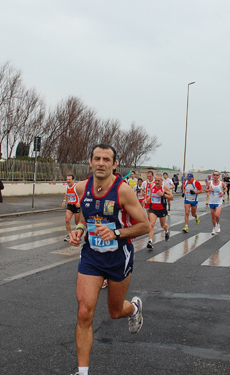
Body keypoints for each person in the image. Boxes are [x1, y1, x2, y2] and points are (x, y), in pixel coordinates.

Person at [68, 144, 150, 375]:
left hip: (118, 257)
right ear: (91, 162)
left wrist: (116, 233)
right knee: (84, 312)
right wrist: (80, 228)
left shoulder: (123, 190)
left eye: (106, 159)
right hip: (92, 256)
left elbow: (145, 225)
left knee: (115, 311)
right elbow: (86, 212)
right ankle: (82, 372)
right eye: (97, 158)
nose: (101, 163)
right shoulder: (83, 187)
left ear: (114, 165)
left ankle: (133, 309)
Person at [146, 173, 173, 249]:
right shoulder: (152, 186)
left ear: (161, 180)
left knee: (163, 225)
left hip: (161, 209)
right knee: (152, 224)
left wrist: (163, 195)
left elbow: (172, 197)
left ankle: (166, 231)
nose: (157, 182)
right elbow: (151, 194)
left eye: (158, 180)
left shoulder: (164, 188)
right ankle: (150, 241)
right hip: (153, 208)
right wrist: (149, 198)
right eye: (156, 180)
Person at [62, 174, 81, 241]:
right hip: (70, 205)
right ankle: (69, 235)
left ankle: (78, 234)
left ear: (73, 180)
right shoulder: (67, 187)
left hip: (77, 206)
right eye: (67, 179)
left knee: (77, 222)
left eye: (70, 179)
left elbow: (82, 195)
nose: (68, 181)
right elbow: (66, 195)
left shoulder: (76, 187)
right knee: (67, 220)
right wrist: (64, 201)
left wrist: (79, 202)